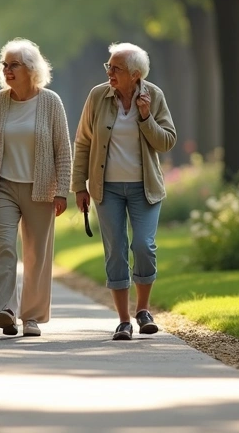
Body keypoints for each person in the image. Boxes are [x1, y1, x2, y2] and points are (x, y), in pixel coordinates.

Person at [0, 38, 71, 337]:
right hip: (2, 187)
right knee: (6, 247)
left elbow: (63, 150)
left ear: (31, 69)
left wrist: (62, 190)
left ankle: (32, 316)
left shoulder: (50, 102)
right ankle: (4, 310)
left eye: (14, 65)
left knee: (37, 254)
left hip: (41, 189)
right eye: (5, 65)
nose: (7, 70)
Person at [71, 42, 176, 341]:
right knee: (115, 250)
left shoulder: (153, 96)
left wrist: (145, 117)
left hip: (146, 188)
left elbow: (167, 141)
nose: (109, 72)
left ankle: (143, 310)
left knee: (143, 246)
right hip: (108, 189)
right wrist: (79, 186)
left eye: (115, 68)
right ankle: (123, 320)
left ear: (135, 74)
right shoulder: (97, 96)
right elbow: (83, 143)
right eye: (108, 66)